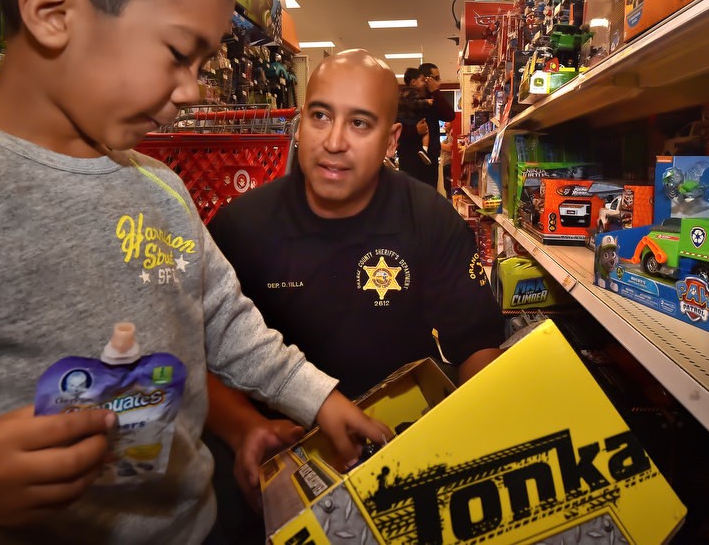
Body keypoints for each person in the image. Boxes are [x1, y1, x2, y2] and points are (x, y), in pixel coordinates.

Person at [0, 0, 388, 543]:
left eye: (204, 66)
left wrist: (318, 397)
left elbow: (226, 323)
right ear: (53, 13)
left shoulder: (161, 188)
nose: (193, 91)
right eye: (180, 55)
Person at [204, 49, 503, 544]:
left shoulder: (429, 219)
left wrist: (473, 438)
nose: (334, 142)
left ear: (392, 139)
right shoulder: (241, 227)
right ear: (300, 122)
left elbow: (478, 347)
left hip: (396, 451)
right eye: (320, 115)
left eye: (360, 124)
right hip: (276, 457)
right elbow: (194, 354)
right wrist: (242, 429)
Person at [396, 62, 454, 188]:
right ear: (426, 79)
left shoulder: (433, 100)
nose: (439, 82)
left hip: (430, 159)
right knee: (409, 198)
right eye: (436, 78)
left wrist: (436, 92)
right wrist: (415, 130)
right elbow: (396, 126)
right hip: (409, 158)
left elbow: (450, 116)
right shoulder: (405, 99)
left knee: (428, 199)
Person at [397, 67, 433, 165]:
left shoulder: (401, 93)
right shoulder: (413, 93)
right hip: (410, 120)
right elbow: (414, 103)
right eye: (422, 80)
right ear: (413, 82)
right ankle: (424, 150)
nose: (424, 82)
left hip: (402, 120)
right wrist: (426, 102)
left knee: (396, 137)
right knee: (426, 130)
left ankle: (390, 156)